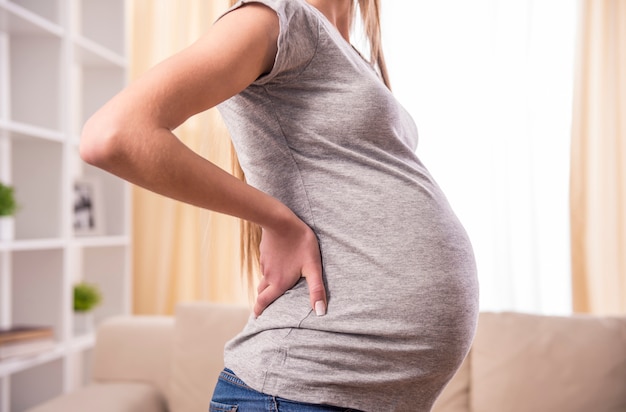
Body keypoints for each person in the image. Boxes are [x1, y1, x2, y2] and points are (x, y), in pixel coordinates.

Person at [80, 0, 479, 410]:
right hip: (298, 389)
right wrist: (279, 221)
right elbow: (113, 135)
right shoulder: (274, 18)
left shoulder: (347, 49)